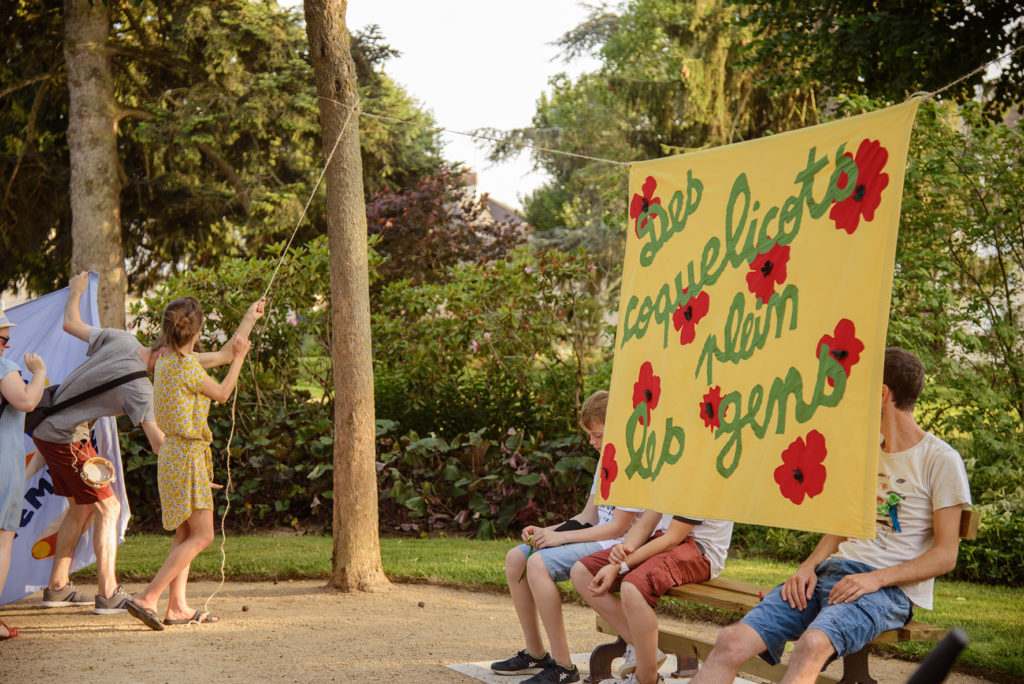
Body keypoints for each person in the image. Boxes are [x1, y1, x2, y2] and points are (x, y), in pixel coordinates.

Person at [691, 348, 972, 684]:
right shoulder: (866, 451)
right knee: (730, 641)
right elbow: (842, 526)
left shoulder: (940, 460)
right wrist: (808, 566)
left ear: (882, 393)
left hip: (886, 590)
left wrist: (875, 579)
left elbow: (945, 556)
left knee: (811, 644)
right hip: (831, 574)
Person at [126, 294, 263, 630]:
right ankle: (148, 597)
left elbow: (222, 352)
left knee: (185, 534)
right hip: (187, 457)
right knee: (203, 536)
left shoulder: (167, 362)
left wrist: (249, 318)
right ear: (198, 330)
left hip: (174, 455)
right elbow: (222, 392)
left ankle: (177, 607)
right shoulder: (188, 367)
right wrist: (240, 359)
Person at [33, 273, 166, 613]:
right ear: (164, 354)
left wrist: (75, 291)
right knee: (110, 507)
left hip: (51, 429)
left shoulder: (123, 338)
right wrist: (189, 460)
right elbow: (156, 442)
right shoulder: (141, 389)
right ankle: (108, 594)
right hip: (66, 437)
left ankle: (58, 588)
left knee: (83, 506)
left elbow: (70, 323)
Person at [490, 390, 641, 684]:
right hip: (598, 537)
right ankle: (535, 654)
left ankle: (563, 667)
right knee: (517, 558)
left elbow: (617, 528)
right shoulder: (605, 461)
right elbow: (588, 517)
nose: (592, 442)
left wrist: (562, 540)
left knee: (538, 565)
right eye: (589, 435)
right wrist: (550, 532)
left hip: (616, 546)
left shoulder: (633, 462)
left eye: (597, 435)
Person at [571, 510, 734, 684]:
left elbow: (673, 538)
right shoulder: (663, 481)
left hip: (700, 550)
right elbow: (645, 523)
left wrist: (621, 566)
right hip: (663, 540)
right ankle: (642, 649)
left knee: (632, 588)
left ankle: (646, 678)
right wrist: (623, 551)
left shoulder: (698, 483)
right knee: (582, 573)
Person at [0, 309, 46, 640]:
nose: (7, 344)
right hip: (3, 463)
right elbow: (27, 401)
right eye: (3, 338)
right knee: (2, 540)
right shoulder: (5, 367)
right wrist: (39, 372)